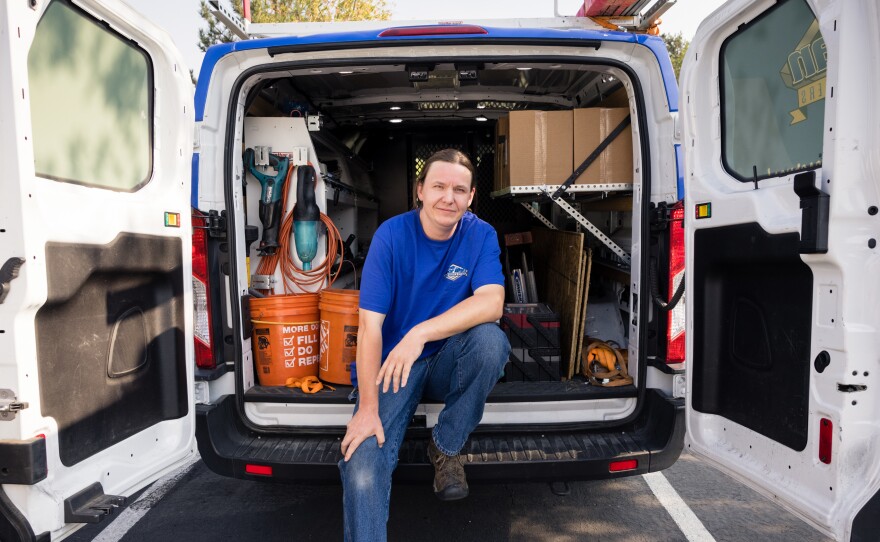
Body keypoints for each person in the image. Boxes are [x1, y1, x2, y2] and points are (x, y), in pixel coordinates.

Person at [338, 149, 510, 541]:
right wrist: (367, 409)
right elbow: (369, 328)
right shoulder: (391, 237)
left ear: (470, 198)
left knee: (490, 342)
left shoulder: (479, 234)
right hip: (395, 365)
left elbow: (492, 303)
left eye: (459, 190)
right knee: (362, 465)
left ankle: (446, 446)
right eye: (438, 186)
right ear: (420, 190)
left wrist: (420, 333)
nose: (448, 197)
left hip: (448, 358)